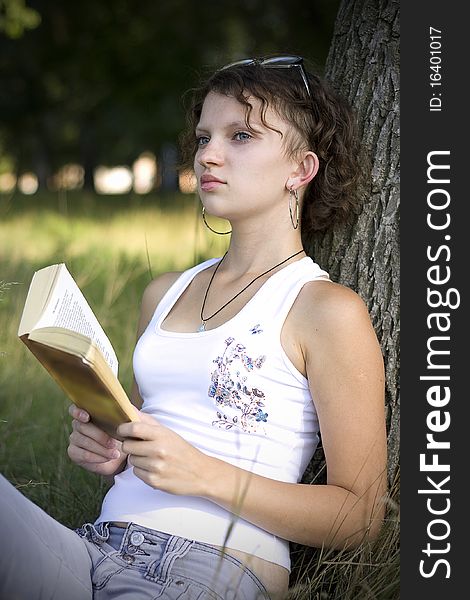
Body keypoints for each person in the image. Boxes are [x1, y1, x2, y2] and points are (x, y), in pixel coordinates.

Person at [0, 55, 387, 600]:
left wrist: (204, 474)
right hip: (95, 548)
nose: (208, 154)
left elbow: (362, 517)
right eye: (204, 136)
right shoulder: (165, 292)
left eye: (242, 135)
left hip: (212, 569)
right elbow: (136, 443)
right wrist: (109, 453)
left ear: (301, 169)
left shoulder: (323, 308)